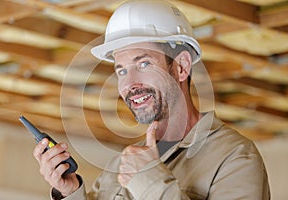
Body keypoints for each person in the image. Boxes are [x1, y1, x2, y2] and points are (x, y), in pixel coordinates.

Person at [33, 0, 270, 199]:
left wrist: (149, 179)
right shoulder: (122, 165)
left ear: (181, 67)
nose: (129, 84)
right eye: (121, 70)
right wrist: (71, 192)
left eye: (144, 64)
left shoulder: (234, 156)